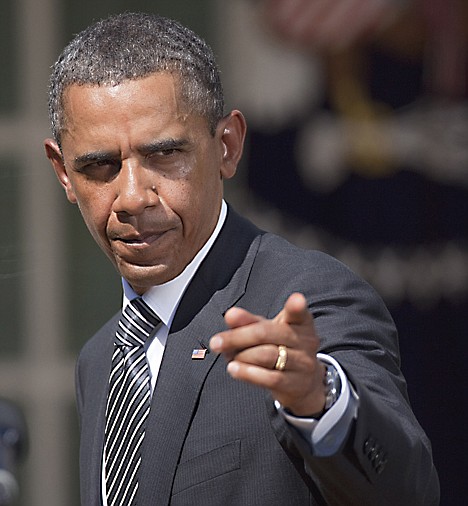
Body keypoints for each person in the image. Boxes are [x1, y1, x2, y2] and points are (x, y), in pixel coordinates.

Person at [44, 12, 439, 506]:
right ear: (63, 173)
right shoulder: (100, 358)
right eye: (99, 166)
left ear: (227, 146)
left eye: (165, 155)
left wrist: (321, 399)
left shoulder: (304, 297)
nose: (132, 197)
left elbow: (409, 489)